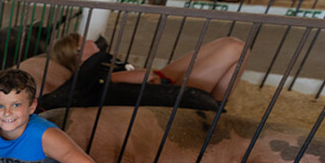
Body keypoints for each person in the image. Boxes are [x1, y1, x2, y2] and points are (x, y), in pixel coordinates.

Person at [28, 33, 247, 103]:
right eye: (83, 41)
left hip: (163, 77)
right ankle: (213, 106)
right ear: (78, 52)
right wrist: (142, 76)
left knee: (231, 44)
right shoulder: (92, 73)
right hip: (168, 89)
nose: (89, 40)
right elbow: (117, 84)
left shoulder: (101, 62)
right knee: (235, 48)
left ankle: (216, 106)